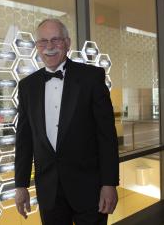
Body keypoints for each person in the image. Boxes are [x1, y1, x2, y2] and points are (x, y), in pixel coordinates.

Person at [15, 18, 119, 225]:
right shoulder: (27, 86)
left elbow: (106, 135)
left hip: (90, 189)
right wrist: (21, 185)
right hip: (48, 192)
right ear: (36, 46)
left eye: (56, 40)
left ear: (68, 43)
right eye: (43, 41)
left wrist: (109, 183)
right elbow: (25, 139)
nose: (50, 47)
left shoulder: (92, 77)